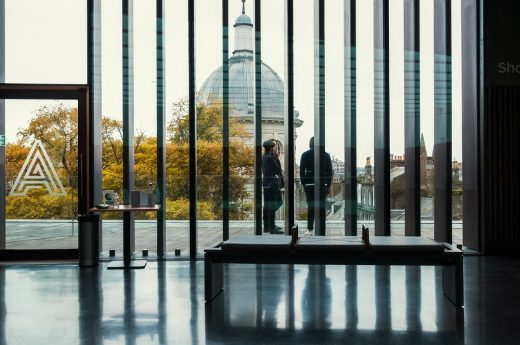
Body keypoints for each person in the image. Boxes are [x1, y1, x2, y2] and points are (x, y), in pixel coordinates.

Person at [299, 137, 333, 235]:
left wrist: (304, 184)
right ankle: (321, 229)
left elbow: (302, 172)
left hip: (309, 185)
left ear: (310, 144)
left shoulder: (305, 155)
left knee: (311, 207)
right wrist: (328, 185)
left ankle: (310, 229)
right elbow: (329, 172)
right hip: (322, 184)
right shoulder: (326, 155)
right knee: (321, 208)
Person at [262, 139, 284, 234]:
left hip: (267, 184)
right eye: (273, 147)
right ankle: (271, 227)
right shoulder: (270, 158)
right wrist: (276, 158)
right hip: (272, 185)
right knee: (276, 204)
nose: (274, 149)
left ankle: (268, 226)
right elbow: (278, 170)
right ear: (271, 148)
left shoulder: (264, 157)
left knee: (268, 206)